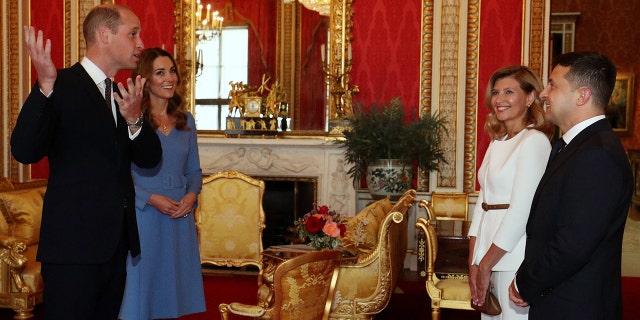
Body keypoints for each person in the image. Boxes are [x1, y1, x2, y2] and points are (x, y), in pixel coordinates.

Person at [11, 4, 162, 320]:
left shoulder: (123, 94)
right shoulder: (58, 84)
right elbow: (24, 151)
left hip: (115, 245)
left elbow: (151, 159)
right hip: (72, 248)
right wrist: (45, 87)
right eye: (133, 34)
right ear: (105, 35)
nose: (140, 43)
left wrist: (135, 120)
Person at [509, 52, 634, 320]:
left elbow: (572, 245)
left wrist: (524, 282)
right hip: (559, 299)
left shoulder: (597, 155)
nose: (543, 93)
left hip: (576, 305)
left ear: (582, 96)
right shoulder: (575, 146)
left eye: (553, 84)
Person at [119, 48, 206, 319]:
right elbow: (120, 175)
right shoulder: (131, 122)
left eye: (172, 71)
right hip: (144, 212)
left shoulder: (186, 121)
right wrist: (151, 199)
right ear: (144, 79)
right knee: (142, 287)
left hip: (180, 214)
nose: (170, 78)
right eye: (160, 72)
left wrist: (191, 198)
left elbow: (194, 171)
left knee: (173, 290)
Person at [468, 65, 553, 319]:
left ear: (529, 98)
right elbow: (481, 205)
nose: (499, 100)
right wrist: (473, 261)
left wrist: (486, 263)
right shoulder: (498, 142)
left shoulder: (534, 141)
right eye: (495, 93)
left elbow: (520, 212)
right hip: (488, 256)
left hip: (514, 256)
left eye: (508, 92)